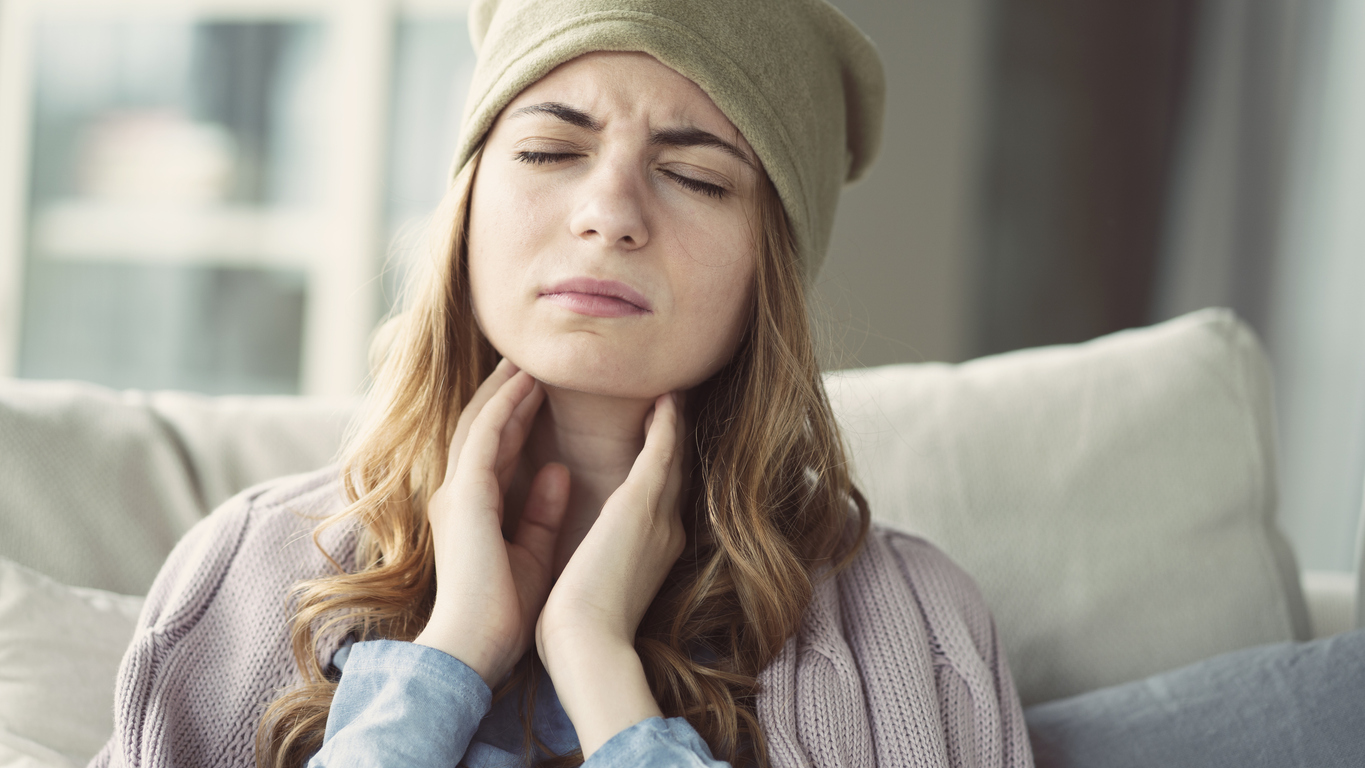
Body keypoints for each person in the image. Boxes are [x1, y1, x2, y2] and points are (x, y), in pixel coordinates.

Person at [92, 1, 1033, 767]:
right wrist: (451, 655)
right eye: (550, 151)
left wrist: (596, 662)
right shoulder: (247, 570)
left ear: (772, 273)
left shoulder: (918, 629)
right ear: (466, 208)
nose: (609, 212)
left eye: (696, 176)